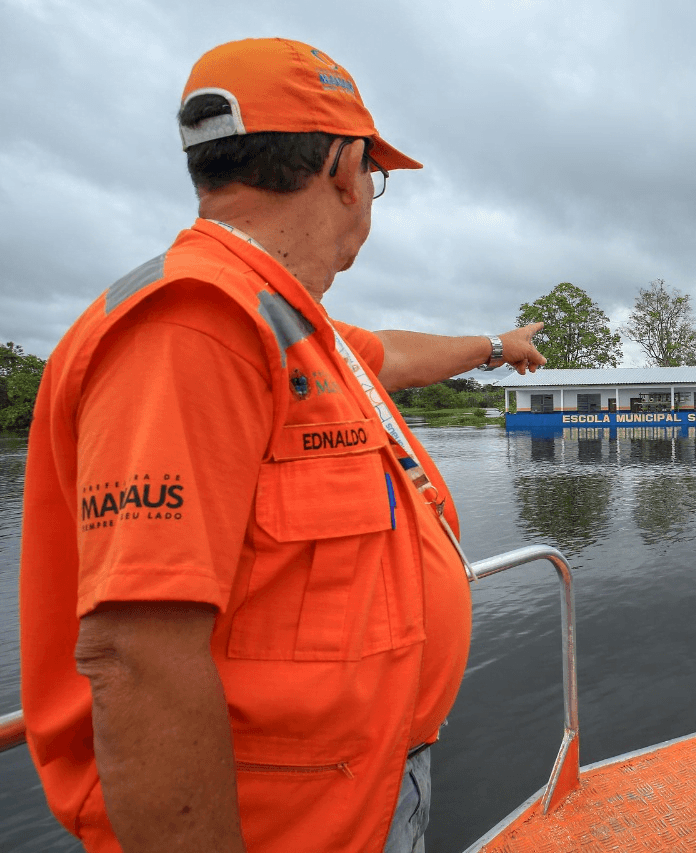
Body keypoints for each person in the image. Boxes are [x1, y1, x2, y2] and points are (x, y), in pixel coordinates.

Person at [20, 37, 546, 852]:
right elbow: (136, 658)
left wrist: (491, 343)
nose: (369, 200)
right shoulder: (195, 327)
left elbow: (396, 356)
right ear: (341, 168)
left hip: (363, 789)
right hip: (284, 827)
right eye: (373, 177)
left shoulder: (291, 327)